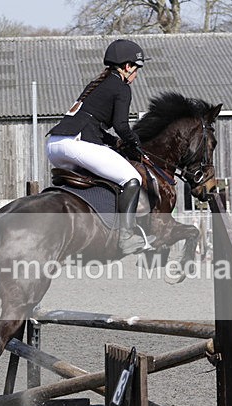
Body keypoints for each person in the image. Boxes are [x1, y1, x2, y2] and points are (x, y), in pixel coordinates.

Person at [46, 39, 154, 254]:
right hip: (74, 144)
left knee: (100, 176)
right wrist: (135, 146)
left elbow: (93, 125)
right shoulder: (121, 88)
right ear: (127, 67)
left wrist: (114, 142)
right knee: (132, 179)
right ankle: (126, 236)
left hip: (55, 144)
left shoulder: (98, 84)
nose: (136, 74)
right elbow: (121, 125)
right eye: (137, 68)